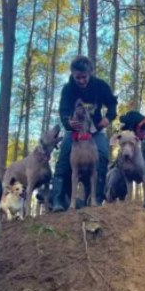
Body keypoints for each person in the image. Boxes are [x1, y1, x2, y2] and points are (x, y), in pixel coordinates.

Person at [50, 56, 118, 211]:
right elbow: (64, 110)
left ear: (91, 72)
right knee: (64, 158)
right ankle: (58, 199)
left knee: (102, 155)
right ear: (73, 74)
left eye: (84, 77)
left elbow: (112, 103)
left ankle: (96, 199)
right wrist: (68, 122)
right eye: (77, 77)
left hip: (95, 130)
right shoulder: (68, 89)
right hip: (75, 131)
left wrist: (108, 118)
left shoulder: (100, 86)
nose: (81, 80)